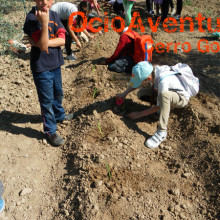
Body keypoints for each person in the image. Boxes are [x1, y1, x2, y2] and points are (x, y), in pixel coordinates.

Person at [23, 0, 74, 146]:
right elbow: (45, 46)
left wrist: (39, 43)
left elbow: (63, 40)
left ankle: (59, 115)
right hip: (41, 66)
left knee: (58, 93)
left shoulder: (55, 14)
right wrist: (44, 24)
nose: (44, 2)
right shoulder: (32, 19)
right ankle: (50, 131)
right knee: (46, 101)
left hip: (55, 63)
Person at [116, 61, 191, 149]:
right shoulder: (153, 70)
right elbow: (138, 83)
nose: (141, 84)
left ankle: (162, 132)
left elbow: (159, 105)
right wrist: (124, 94)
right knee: (142, 93)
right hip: (167, 92)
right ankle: (163, 110)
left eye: (142, 81)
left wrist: (139, 114)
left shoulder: (163, 81)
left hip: (180, 98)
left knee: (164, 96)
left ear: (148, 78)